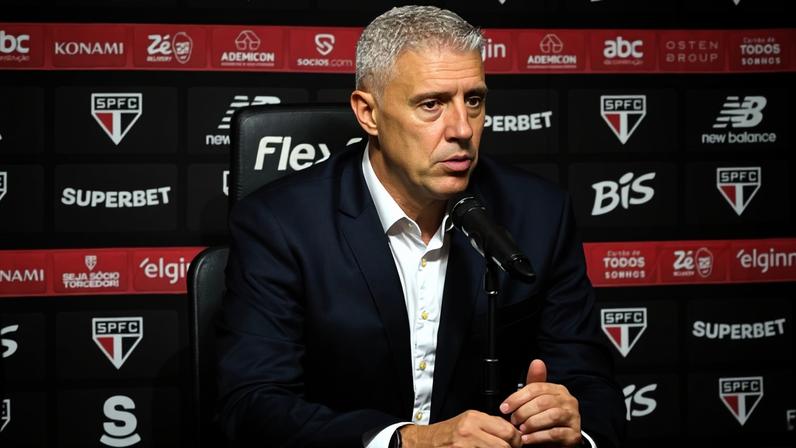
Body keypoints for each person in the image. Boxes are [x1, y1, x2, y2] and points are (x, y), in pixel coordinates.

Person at [216, 5, 625, 447]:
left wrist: (573, 430)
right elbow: (253, 405)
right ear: (368, 113)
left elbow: (591, 385)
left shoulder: (541, 214)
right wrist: (408, 441)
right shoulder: (280, 224)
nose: (462, 129)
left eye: (474, 100)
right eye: (431, 104)